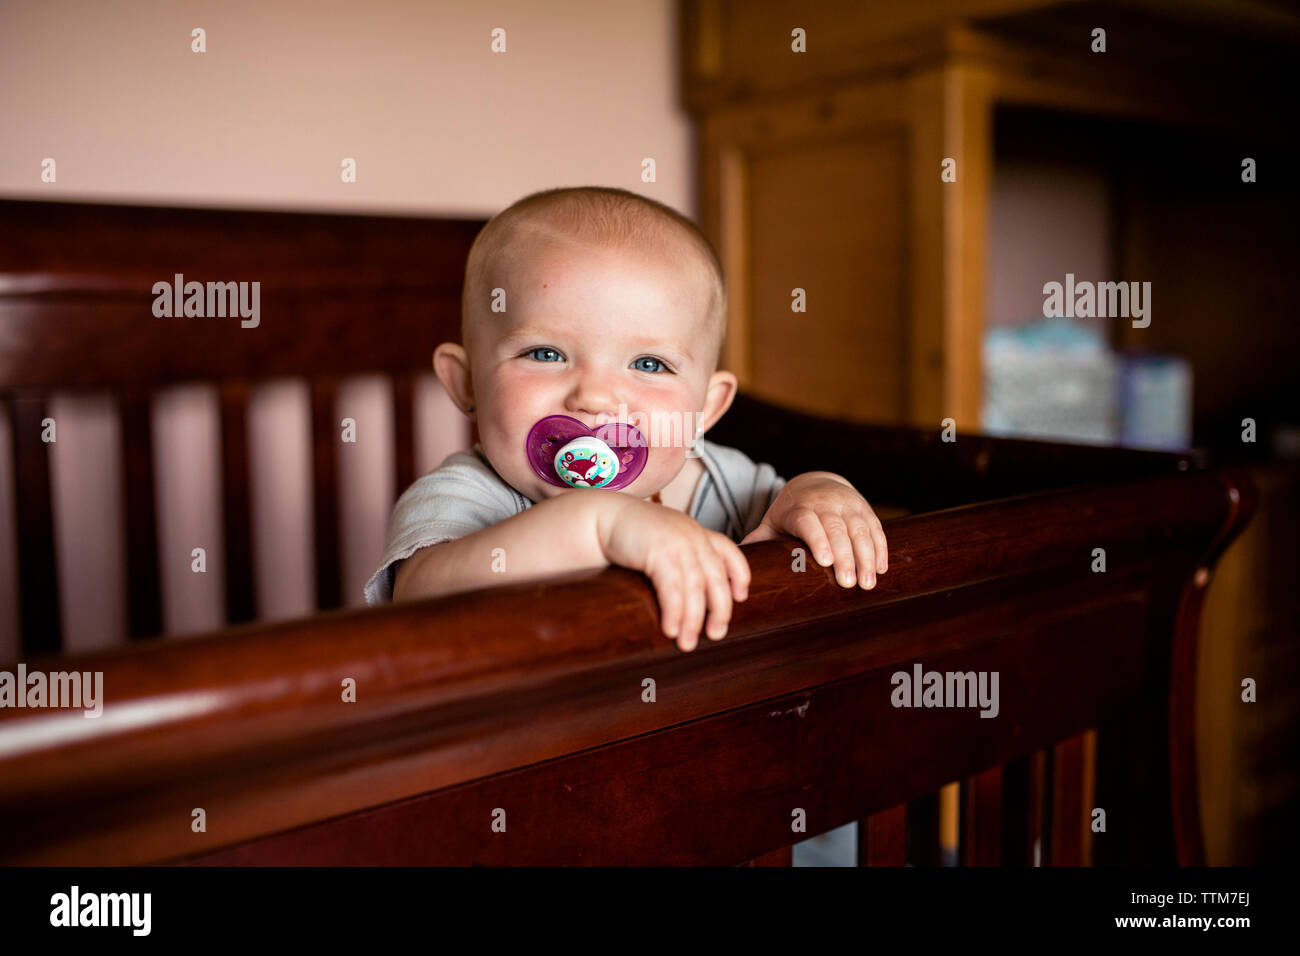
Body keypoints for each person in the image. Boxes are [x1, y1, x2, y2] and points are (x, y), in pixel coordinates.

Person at [365, 186, 887, 651]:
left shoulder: (727, 484)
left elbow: (785, 511)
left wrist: (818, 490)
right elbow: (421, 595)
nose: (595, 398)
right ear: (465, 383)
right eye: (546, 353)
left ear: (705, 408)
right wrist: (596, 525)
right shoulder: (466, 494)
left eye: (648, 364)